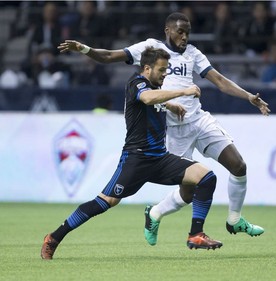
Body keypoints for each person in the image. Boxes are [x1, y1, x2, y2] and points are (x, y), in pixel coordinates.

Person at [58, 12, 270, 247]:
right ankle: (155, 213)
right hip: (173, 129)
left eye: (188, 32)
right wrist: (84, 49)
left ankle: (233, 220)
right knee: (188, 193)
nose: (185, 37)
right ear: (167, 30)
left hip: (198, 120)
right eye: (180, 32)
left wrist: (249, 96)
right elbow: (109, 56)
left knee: (238, 165)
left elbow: (219, 81)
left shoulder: (193, 54)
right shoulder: (150, 48)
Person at [41, 47, 223, 260]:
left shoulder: (153, 88)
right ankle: (54, 237)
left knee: (206, 177)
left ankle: (196, 235)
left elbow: (153, 100)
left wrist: (170, 105)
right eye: (162, 70)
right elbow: (146, 98)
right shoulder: (136, 83)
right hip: (136, 160)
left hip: (160, 159)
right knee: (103, 203)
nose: (165, 74)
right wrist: (182, 92)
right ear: (147, 68)